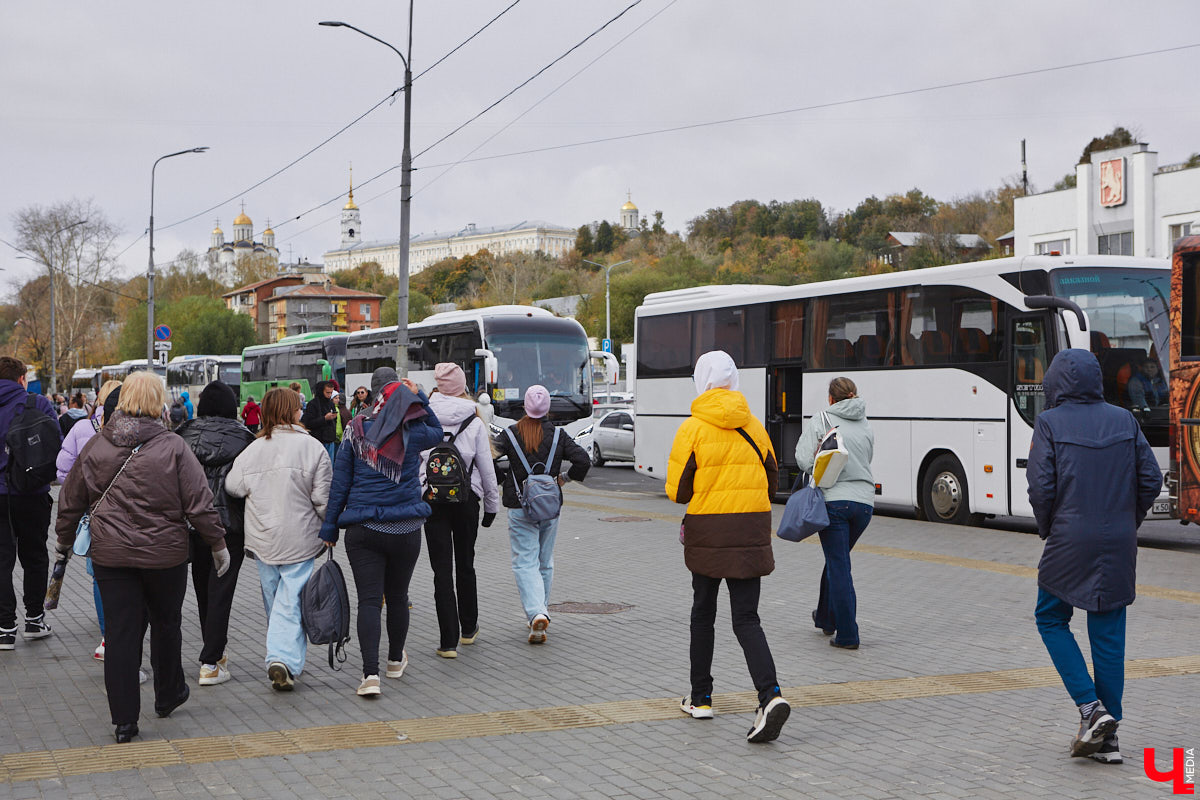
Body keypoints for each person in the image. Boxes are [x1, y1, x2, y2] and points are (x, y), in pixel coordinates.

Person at [55, 371, 229, 743]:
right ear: (157, 401)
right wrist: (217, 543)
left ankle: (124, 721)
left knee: (120, 633)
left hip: (111, 556)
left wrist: (63, 543)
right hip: (165, 557)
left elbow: (70, 500)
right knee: (166, 624)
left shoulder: (97, 446)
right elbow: (199, 502)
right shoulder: (174, 447)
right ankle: (167, 696)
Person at [1027, 349, 1161, 764]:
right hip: (1119, 540)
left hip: (1070, 537)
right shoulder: (1124, 419)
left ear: (1056, 384)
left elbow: (1041, 486)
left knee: (1050, 616)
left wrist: (1050, 527)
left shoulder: (1049, 422)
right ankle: (1109, 738)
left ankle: (1091, 709)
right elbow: (1151, 479)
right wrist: (1128, 519)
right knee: (1108, 634)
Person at [667, 350, 790, 744]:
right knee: (747, 619)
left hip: (707, 531)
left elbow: (677, 491)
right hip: (751, 528)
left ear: (701, 381)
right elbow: (773, 483)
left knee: (703, 614)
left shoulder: (693, 428)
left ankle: (700, 698)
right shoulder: (755, 427)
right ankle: (770, 695)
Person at [320, 367, 443, 697]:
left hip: (364, 530)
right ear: (396, 393)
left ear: (371, 393)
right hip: (405, 528)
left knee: (370, 602)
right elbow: (437, 430)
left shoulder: (354, 429)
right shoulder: (411, 427)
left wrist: (330, 526)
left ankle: (369, 676)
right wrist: (416, 394)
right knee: (398, 597)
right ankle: (393, 661)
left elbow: (341, 482)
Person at [225, 387, 332, 692]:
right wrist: (329, 528)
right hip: (300, 537)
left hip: (263, 538)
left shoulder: (253, 449)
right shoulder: (312, 448)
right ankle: (282, 658)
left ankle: (287, 658)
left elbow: (233, 486)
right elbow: (322, 498)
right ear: (292, 411)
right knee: (291, 601)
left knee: (275, 599)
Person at [493, 384, 590, 645]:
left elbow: (488, 458)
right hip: (549, 506)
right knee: (544, 561)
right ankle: (540, 613)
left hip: (518, 506)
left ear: (525, 406)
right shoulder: (559, 435)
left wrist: (505, 480)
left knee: (525, 562)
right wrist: (565, 479)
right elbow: (583, 460)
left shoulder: (510, 434)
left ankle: (537, 612)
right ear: (547, 408)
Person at [177, 381, 256, 687]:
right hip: (230, 527)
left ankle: (214, 655)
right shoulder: (245, 439)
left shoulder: (182, 436)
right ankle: (211, 660)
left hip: (193, 525)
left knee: (202, 590)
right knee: (221, 591)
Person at [420, 363, 501, 657]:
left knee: (441, 571)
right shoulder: (475, 421)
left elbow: (418, 464)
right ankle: (469, 628)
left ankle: (448, 642)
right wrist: (491, 506)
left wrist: (422, 493)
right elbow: (486, 468)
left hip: (433, 502)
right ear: (462, 386)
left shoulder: (424, 418)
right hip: (467, 500)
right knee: (465, 564)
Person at [794, 376, 875, 650]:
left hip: (834, 503)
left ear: (831, 398)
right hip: (864, 506)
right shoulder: (865, 424)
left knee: (839, 566)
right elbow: (867, 459)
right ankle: (826, 617)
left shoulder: (822, 418)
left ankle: (848, 634)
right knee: (836, 560)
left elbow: (803, 460)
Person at [56, 379, 121, 661]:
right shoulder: (139, 434)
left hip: (92, 510)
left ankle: (107, 635)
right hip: (126, 515)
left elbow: (62, 471)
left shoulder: (83, 430)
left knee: (98, 573)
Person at [0, 357, 61, 650]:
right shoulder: (38, 404)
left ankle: (4, 628)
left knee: (1, 561)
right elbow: (55, 446)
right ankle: (35, 620)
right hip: (33, 493)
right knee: (35, 556)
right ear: (22, 378)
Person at [300, 380, 339, 461]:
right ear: (321, 391)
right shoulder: (313, 404)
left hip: (330, 439)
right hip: (318, 440)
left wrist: (333, 418)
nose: (329, 395)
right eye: (327, 392)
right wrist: (324, 418)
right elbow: (308, 423)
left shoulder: (331, 404)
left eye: (331, 393)